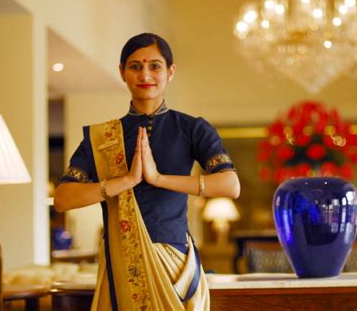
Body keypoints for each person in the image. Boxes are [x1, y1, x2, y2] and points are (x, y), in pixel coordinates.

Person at [54, 32, 240, 311]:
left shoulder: (191, 128)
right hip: (120, 260)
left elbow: (230, 185)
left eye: (155, 66)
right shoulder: (102, 137)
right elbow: (63, 198)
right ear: (122, 72)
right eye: (135, 66)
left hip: (175, 260)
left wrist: (158, 179)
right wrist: (125, 181)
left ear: (170, 72)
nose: (145, 74)